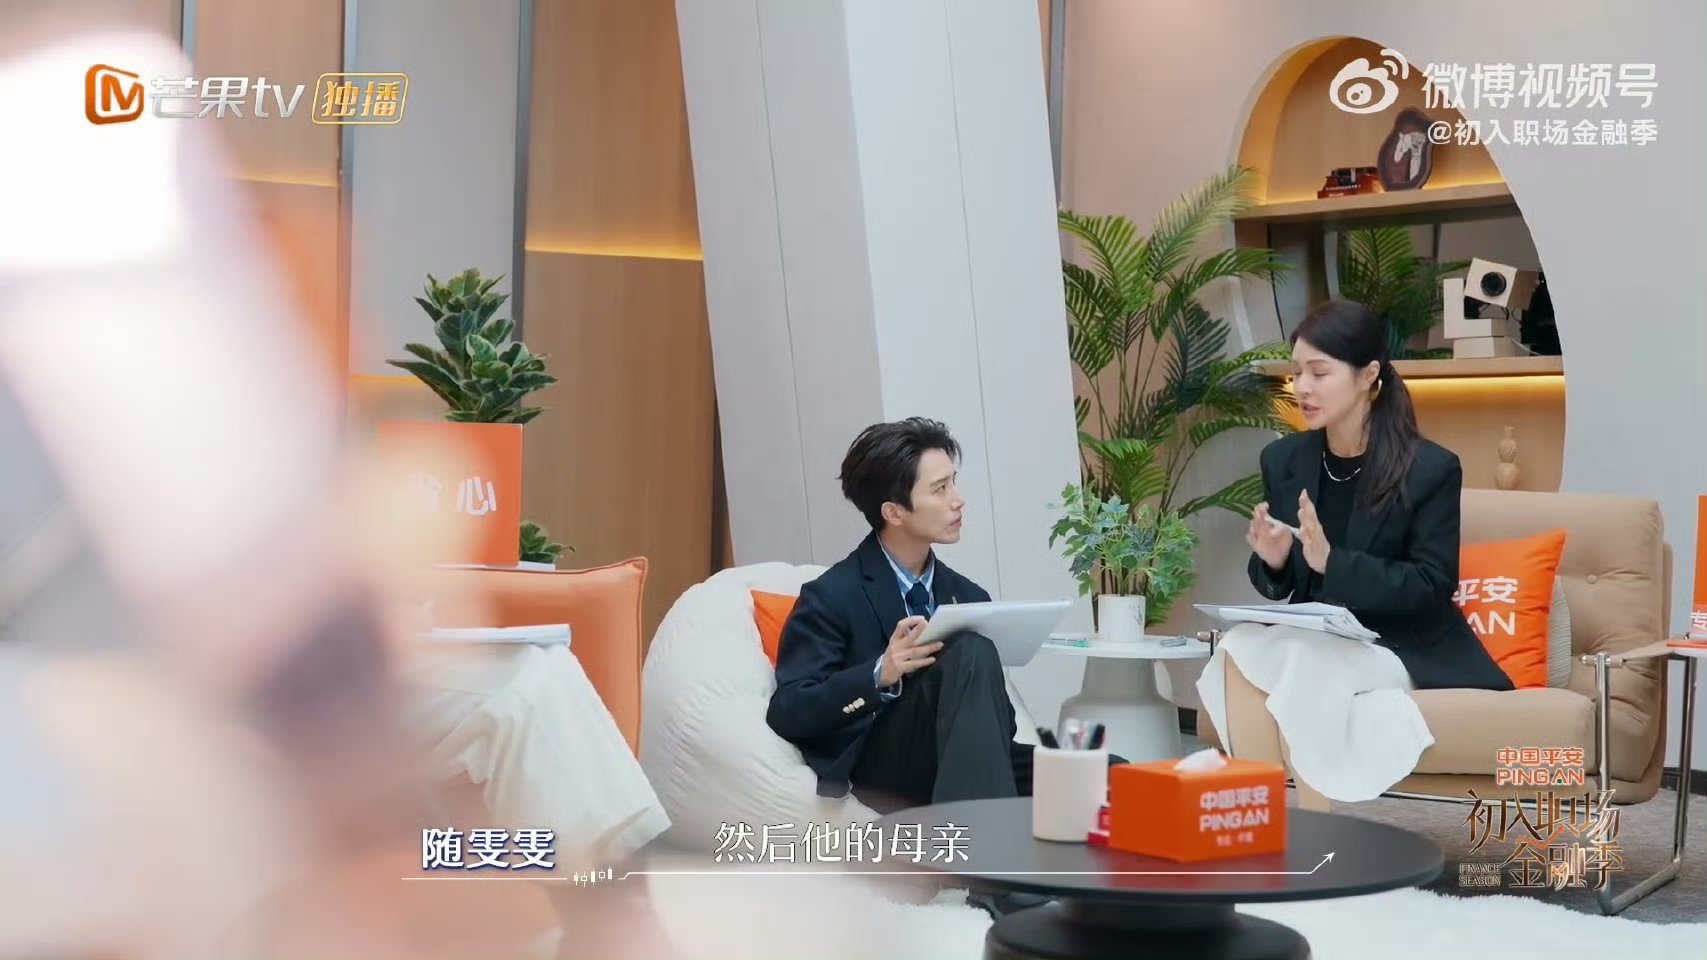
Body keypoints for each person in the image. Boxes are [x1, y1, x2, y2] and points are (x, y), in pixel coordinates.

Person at [1197, 299, 1512, 805]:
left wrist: (1333, 563)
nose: (1302, 387)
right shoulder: (1284, 460)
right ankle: (1259, 818)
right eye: (1297, 372)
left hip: (1399, 645)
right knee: (1240, 647)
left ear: (1368, 375)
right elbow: (1285, 582)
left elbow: (1431, 585)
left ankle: (1320, 832)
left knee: (1307, 660)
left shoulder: (1429, 469)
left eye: (1320, 373)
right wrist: (1275, 560)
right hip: (1319, 639)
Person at [765, 418, 1031, 809]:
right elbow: (789, 711)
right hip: (884, 764)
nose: (958, 500)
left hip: (965, 754)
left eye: (954, 482)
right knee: (970, 650)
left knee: (1103, 775)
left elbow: (999, 726)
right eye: (940, 489)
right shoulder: (832, 594)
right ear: (893, 512)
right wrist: (879, 674)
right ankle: (980, 844)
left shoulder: (968, 595)